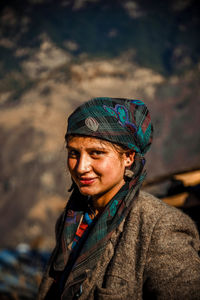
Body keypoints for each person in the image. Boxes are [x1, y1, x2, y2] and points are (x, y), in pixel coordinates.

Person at [37, 97, 200, 300]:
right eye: (73, 153)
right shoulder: (71, 220)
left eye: (96, 153)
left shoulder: (159, 228)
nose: (80, 167)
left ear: (128, 158)